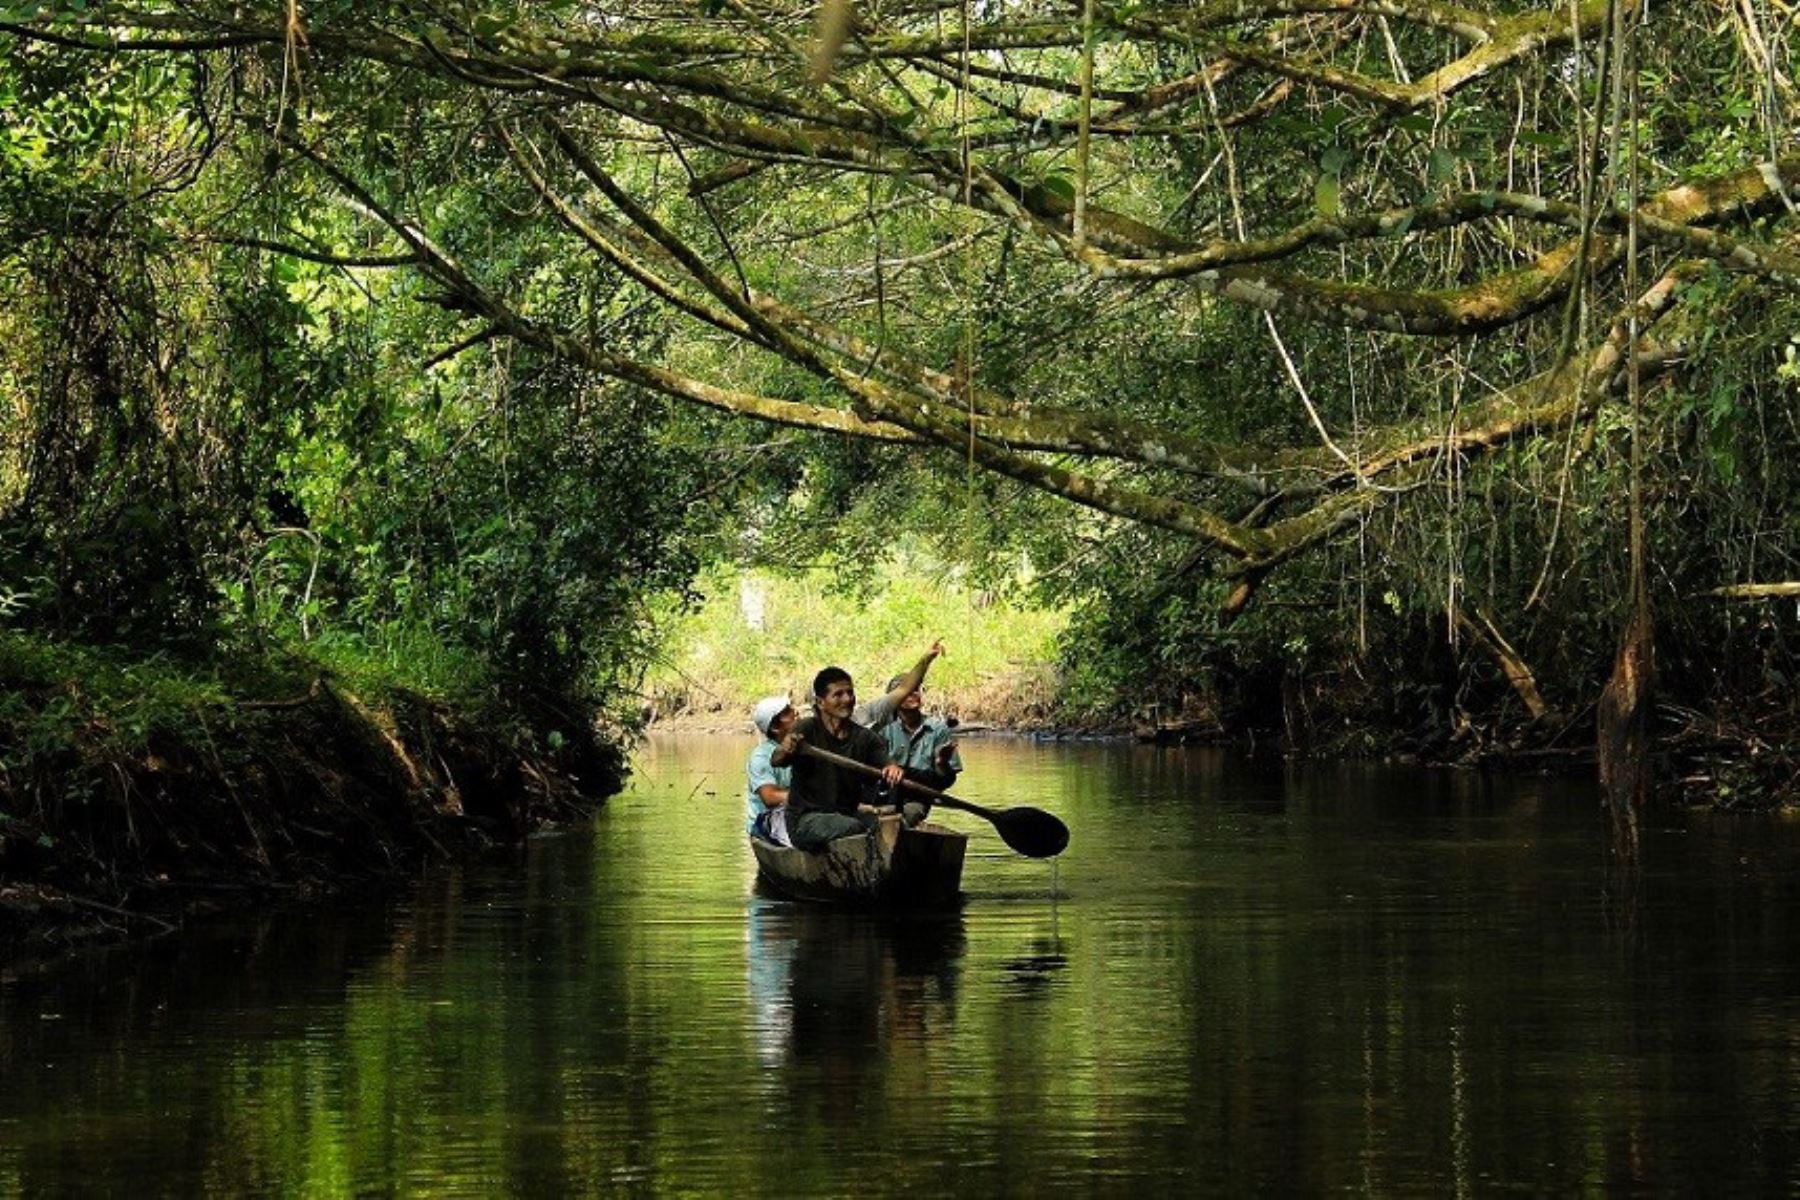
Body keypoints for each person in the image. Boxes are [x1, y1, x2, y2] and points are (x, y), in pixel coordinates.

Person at [773, 666, 905, 851]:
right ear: (820, 702)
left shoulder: (864, 737)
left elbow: (885, 760)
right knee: (852, 827)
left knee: (894, 826)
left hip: (847, 814)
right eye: (838, 695)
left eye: (850, 693)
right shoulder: (806, 728)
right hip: (805, 821)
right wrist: (785, 749)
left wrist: (892, 767)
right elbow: (777, 760)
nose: (847, 699)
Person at [746, 695, 797, 845]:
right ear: (775, 727)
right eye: (787, 712)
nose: (795, 713)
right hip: (768, 820)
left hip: (798, 811)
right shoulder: (761, 757)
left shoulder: (803, 748)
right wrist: (809, 798)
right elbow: (770, 797)